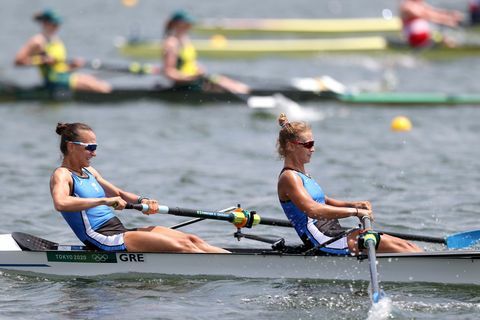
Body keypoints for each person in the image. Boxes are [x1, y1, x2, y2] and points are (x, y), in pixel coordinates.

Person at [50, 122, 228, 253]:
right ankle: (227, 269)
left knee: (192, 239)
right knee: (185, 247)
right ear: (72, 147)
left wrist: (143, 201)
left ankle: (234, 260)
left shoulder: (89, 171)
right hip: (101, 237)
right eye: (90, 147)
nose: (94, 153)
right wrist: (104, 200)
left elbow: (119, 193)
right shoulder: (62, 175)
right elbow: (61, 203)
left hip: (118, 230)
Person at [276, 113, 422, 255]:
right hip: (324, 240)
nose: (313, 149)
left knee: (407, 245)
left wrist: (354, 205)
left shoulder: (302, 174)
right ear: (290, 146)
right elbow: (313, 209)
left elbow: (323, 200)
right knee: (403, 248)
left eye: (313, 144)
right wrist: (355, 212)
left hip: (333, 232)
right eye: (308, 144)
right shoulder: (289, 177)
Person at [15, 9, 111, 93]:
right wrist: (42, 60)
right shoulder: (37, 41)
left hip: (64, 76)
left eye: (58, 24)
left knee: (101, 83)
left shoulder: (56, 41)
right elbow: (18, 62)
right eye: (54, 24)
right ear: (45, 23)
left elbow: (60, 67)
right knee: (101, 88)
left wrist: (73, 66)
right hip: (53, 81)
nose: (57, 27)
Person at [162, 10, 249, 94]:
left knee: (230, 82)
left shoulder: (185, 40)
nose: (190, 25)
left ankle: (248, 92)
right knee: (225, 84)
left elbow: (189, 62)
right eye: (187, 23)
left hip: (195, 80)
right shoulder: (171, 44)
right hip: (184, 85)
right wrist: (188, 77)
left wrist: (198, 68)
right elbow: (169, 72)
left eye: (190, 23)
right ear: (177, 24)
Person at [399, 0, 464, 48]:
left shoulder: (418, 4)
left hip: (424, 36)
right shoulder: (407, 6)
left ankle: (452, 45)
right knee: (444, 39)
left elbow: (433, 11)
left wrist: (450, 14)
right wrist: (447, 21)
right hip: (414, 37)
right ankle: (453, 48)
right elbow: (427, 16)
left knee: (444, 37)